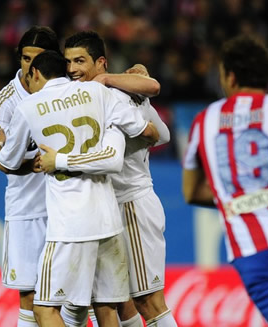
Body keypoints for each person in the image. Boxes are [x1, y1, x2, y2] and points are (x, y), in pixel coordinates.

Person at [0, 50, 159, 326]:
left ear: (35, 74)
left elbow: (8, 161)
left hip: (68, 225)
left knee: (44, 309)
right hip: (109, 220)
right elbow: (148, 132)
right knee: (106, 309)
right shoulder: (97, 93)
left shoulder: (29, 106)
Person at [59, 31, 177, 327]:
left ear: (101, 62)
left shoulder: (114, 93)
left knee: (148, 300)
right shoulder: (107, 92)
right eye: (68, 61)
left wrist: (112, 83)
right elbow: (162, 135)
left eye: (80, 61)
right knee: (116, 304)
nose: (72, 69)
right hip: (104, 210)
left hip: (131, 204)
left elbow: (156, 134)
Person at [182, 35, 268, 327]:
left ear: (230, 77)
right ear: (267, 77)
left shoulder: (203, 121)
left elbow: (191, 191)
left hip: (253, 250)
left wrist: (234, 196)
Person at [0, 26, 61, 327]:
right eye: (26, 58)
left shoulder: (65, 91)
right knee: (29, 298)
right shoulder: (3, 104)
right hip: (26, 211)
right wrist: (33, 163)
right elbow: (4, 161)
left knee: (71, 296)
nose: (31, 66)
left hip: (62, 206)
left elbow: (3, 154)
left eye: (38, 58)